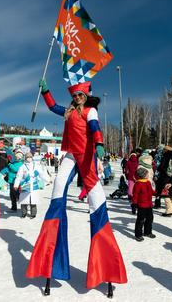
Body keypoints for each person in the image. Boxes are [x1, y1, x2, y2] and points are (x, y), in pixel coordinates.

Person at [26, 78, 127, 291]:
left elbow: (95, 127)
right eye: (74, 96)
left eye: (80, 95)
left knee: (97, 202)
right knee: (57, 191)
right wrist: (46, 91)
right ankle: (51, 255)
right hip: (72, 154)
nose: (77, 98)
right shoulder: (70, 112)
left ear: (87, 95)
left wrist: (99, 144)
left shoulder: (90, 111)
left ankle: (105, 265)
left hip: (87, 155)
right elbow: (53, 106)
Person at [13, 152, 49, 218]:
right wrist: (16, 185)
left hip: (33, 186)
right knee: (24, 201)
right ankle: (24, 213)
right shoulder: (22, 166)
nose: (29, 158)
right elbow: (19, 176)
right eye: (27, 157)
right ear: (25, 158)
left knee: (33, 201)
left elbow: (41, 174)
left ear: (32, 158)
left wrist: (48, 180)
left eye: (30, 157)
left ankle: (33, 214)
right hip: (25, 186)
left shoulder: (35, 165)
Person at [155, 146, 172, 216]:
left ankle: (169, 210)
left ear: (165, 150)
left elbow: (162, 167)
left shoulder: (166, 156)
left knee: (165, 193)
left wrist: (160, 170)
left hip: (166, 177)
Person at [132, 167, 156, 241]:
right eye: (147, 174)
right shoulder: (138, 184)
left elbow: (151, 191)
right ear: (143, 175)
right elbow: (135, 195)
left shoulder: (148, 182)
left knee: (150, 218)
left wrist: (158, 193)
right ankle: (138, 234)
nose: (148, 175)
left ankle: (147, 232)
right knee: (140, 220)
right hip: (141, 205)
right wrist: (134, 204)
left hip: (149, 205)